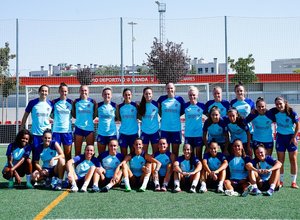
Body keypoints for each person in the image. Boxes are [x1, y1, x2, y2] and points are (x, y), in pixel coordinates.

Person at [269, 96, 299, 189]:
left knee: (293, 160)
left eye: (280, 103)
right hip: (280, 138)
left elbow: (298, 125)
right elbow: (264, 111)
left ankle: (293, 182)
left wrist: (294, 137)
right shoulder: (274, 111)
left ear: (285, 103)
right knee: (280, 160)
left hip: (290, 138)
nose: (279, 105)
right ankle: (280, 181)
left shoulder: (291, 112)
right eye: (277, 104)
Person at [21, 84, 53, 169]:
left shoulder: (50, 104)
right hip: (35, 134)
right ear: (39, 92)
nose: (44, 92)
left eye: (46, 91)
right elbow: (25, 116)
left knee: (49, 156)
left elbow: (54, 116)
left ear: (48, 93)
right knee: (35, 157)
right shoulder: (32, 103)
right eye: (42, 90)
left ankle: (48, 175)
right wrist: (21, 129)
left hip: (46, 136)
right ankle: (34, 177)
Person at [157, 82, 185, 157]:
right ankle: (167, 168)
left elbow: (182, 111)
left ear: (174, 89)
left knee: (175, 153)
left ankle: (174, 168)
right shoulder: (161, 99)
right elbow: (159, 110)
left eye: (171, 88)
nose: (170, 90)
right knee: (166, 152)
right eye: (168, 88)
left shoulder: (180, 99)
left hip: (175, 129)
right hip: (164, 129)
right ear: (166, 89)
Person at [72, 85, 97, 156]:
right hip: (79, 128)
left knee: (90, 151)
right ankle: (77, 166)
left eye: (85, 90)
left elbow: (94, 115)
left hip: (89, 128)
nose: (84, 92)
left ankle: (91, 166)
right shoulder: (76, 102)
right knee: (77, 152)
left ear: (88, 91)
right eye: (82, 90)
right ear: (79, 91)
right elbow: (74, 114)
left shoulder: (92, 102)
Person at [51, 82, 73, 162]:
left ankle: (68, 173)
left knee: (68, 154)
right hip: (56, 131)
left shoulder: (71, 103)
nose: (64, 93)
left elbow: (73, 115)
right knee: (56, 154)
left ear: (67, 92)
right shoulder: (54, 102)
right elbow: (50, 114)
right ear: (59, 91)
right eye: (62, 91)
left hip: (67, 131)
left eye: (65, 91)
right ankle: (56, 173)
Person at [184, 86, 206, 160]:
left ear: (197, 95)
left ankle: (199, 171)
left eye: (194, 95)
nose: (192, 97)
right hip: (188, 134)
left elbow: (210, 116)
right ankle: (191, 170)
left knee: (199, 155)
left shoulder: (202, 106)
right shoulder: (185, 106)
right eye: (190, 95)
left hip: (198, 134)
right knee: (189, 155)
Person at [117, 88, 139, 156]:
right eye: (125, 95)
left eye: (129, 95)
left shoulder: (135, 105)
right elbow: (119, 118)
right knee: (124, 156)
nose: (127, 96)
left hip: (134, 134)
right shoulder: (119, 107)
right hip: (123, 134)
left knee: (133, 155)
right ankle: (124, 167)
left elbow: (139, 116)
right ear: (123, 96)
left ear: (131, 95)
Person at [96, 87, 118, 155]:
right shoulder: (98, 106)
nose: (107, 96)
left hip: (112, 134)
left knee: (112, 155)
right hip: (101, 133)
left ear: (111, 95)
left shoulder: (115, 106)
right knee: (101, 155)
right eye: (105, 94)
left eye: (108, 94)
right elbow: (94, 115)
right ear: (102, 95)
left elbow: (117, 117)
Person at [138, 87, 160, 154]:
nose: (148, 95)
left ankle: (155, 164)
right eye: (146, 94)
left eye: (149, 93)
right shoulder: (140, 105)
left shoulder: (157, 104)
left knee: (156, 153)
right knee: (144, 153)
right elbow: (139, 117)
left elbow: (162, 114)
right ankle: (145, 164)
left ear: (152, 94)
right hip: (145, 132)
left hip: (155, 132)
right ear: (144, 95)